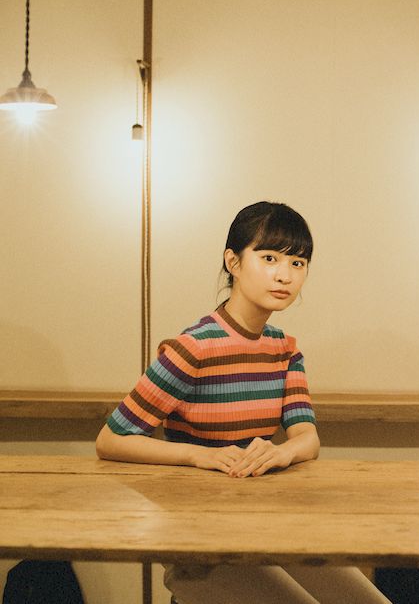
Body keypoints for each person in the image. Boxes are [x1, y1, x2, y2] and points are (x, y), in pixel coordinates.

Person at [96, 201, 391, 604]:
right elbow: (111, 440)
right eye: (269, 258)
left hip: (266, 524)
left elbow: (308, 439)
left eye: (298, 263)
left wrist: (281, 452)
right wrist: (199, 455)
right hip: (198, 546)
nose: (284, 275)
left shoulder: (284, 349)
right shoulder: (193, 347)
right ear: (233, 262)